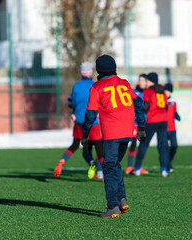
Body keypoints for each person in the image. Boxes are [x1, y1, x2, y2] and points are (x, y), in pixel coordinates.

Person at [82, 55, 146, 218]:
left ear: (99, 70)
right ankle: (121, 199)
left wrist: (84, 134)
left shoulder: (97, 87)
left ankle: (112, 207)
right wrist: (141, 128)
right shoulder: (124, 83)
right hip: (128, 132)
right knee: (115, 164)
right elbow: (138, 103)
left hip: (112, 133)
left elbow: (90, 114)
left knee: (109, 168)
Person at [54, 62, 104, 179]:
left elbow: (72, 102)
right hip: (93, 122)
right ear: (91, 72)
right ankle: (102, 173)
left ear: (81, 72)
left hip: (79, 121)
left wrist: (74, 113)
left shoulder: (76, 86)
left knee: (75, 145)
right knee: (100, 149)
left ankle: (62, 161)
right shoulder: (96, 85)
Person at [133, 72, 170, 177]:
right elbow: (166, 106)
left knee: (144, 144)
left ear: (150, 81)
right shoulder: (162, 91)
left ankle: (137, 168)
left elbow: (146, 106)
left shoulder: (148, 91)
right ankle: (164, 170)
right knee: (162, 146)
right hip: (163, 120)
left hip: (152, 120)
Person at [125, 74, 148, 175]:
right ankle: (129, 166)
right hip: (134, 122)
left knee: (142, 145)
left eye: (143, 80)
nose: (141, 82)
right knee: (133, 143)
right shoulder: (135, 92)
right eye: (140, 80)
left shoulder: (148, 93)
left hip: (144, 123)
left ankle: (138, 166)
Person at [164, 83, 181, 173]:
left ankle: (168, 161)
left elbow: (174, 111)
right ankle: (168, 165)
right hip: (163, 129)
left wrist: (176, 115)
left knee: (174, 146)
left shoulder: (173, 101)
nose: (167, 92)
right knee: (165, 148)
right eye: (166, 90)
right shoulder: (161, 100)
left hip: (172, 128)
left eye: (169, 91)